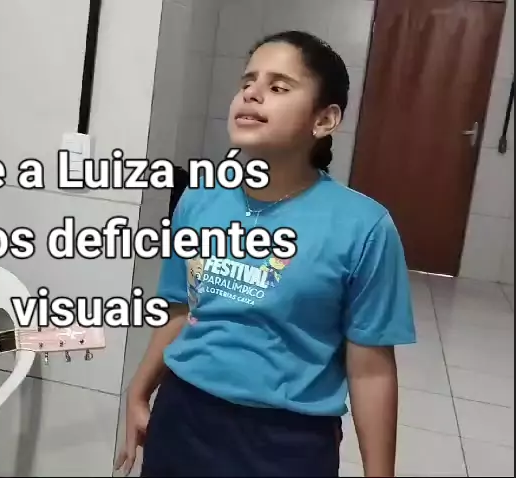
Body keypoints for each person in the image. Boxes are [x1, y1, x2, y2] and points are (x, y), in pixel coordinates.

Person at [115, 31, 416, 477]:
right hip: (182, 417)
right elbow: (181, 311)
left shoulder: (364, 227)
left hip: (287, 442)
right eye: (247, 82)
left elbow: (371, 369)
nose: (252, 94)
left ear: (324, 120)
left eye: (278, 86)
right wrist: (139, 391)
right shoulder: (199, 200)